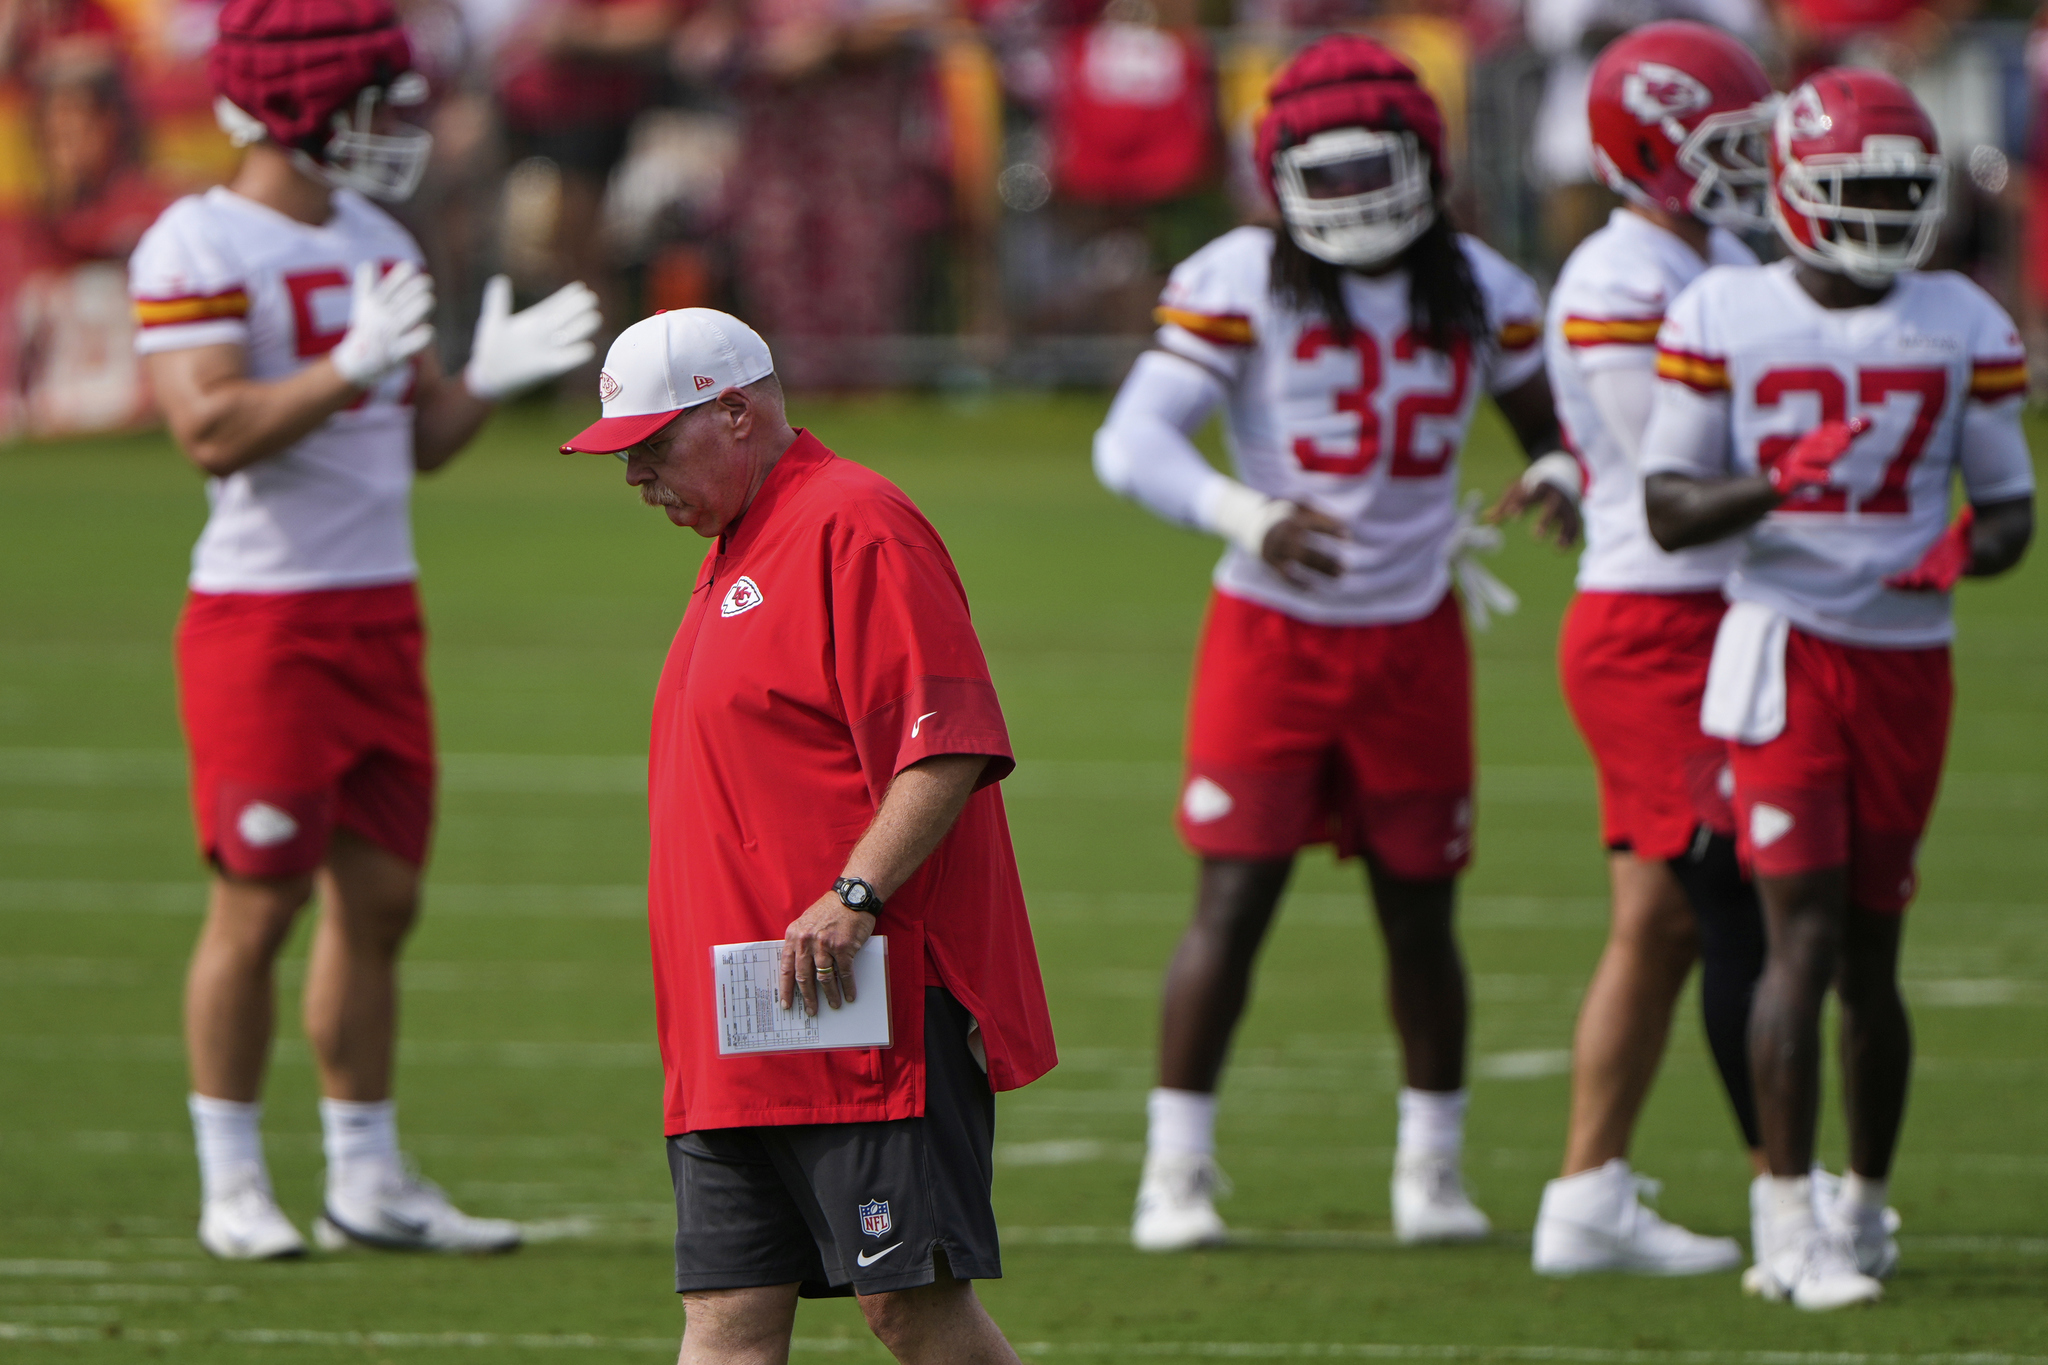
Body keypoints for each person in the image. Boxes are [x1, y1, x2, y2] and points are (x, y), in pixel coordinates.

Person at [1092, 34, 1581, 1253]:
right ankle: (1176, 1172)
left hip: (1413, 631)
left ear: (1424, 164)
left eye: (1380, 174)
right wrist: (1241, 511)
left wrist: (1565, 470)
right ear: (1280, 175)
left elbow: (1550, 425)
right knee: (1234, 898)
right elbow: (1130, 442)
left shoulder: (1478, 280)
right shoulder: (1241, 275)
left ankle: (1431, 1168)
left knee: (1422, 914)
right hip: (1272, 634)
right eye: (1335, 177)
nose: (1358, 204)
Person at [130, 0, 601, 1260]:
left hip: (380, 606)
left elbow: (420, 441)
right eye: (373, 99)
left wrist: (486, 384)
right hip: (264, 618)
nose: (396, 125)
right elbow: (209, 431)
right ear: (304, 102)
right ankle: (232, 1177)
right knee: (258, 903)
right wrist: (344, 367)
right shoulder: (196, 239)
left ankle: (365, 1175)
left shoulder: (375, 233)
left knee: (382, 900)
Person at [558, 309, 1057, 1364]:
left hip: (862, 999)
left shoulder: (852, 523)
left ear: (734, 412)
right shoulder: (740, 542)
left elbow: (947, 744)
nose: (636, 477)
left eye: (651, 446)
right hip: (738, 1016)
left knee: (909, 1304)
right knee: (727, 1318)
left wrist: (855, 895)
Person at [1640, 68, 2033, 1309]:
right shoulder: (1720, 308)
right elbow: (1665, 508)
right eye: (1853, 190)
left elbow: (2011, 508)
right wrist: (1775, 483)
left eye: (1896, 193)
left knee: (1875, 950)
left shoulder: (1961, 317)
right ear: (1795, 194)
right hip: (1785, 647)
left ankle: (1861, 1204)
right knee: (1794, 940)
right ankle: (1783, 1221)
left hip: (1907, 660)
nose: (1876, 216)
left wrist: (1961, 546)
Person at [1518, 21, 1775, 1277]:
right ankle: (1789, 1190)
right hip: (1656, 618)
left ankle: (1586, 1198)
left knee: (1659, 920)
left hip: (1698, 609)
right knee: (1731, 901)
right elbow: (1681, 468)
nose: (1752, 167)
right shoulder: (1620, 274)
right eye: (1725, 146)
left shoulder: (1703, 250)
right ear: (1648, 149)